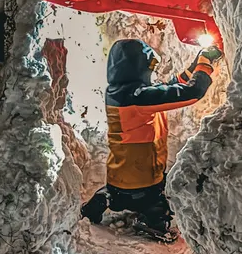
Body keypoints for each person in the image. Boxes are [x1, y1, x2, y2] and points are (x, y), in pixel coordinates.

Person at [81, 38, 222, 242]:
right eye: (150, 65)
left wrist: (196, 63)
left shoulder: (123, 93)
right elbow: (191, 93)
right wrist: (204, 64)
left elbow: (171, 87)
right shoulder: (138, 97)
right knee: (159, 205)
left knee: (116, 194)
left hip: (118, 178)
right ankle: (152, 221)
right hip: (143, 183)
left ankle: (104, 199)